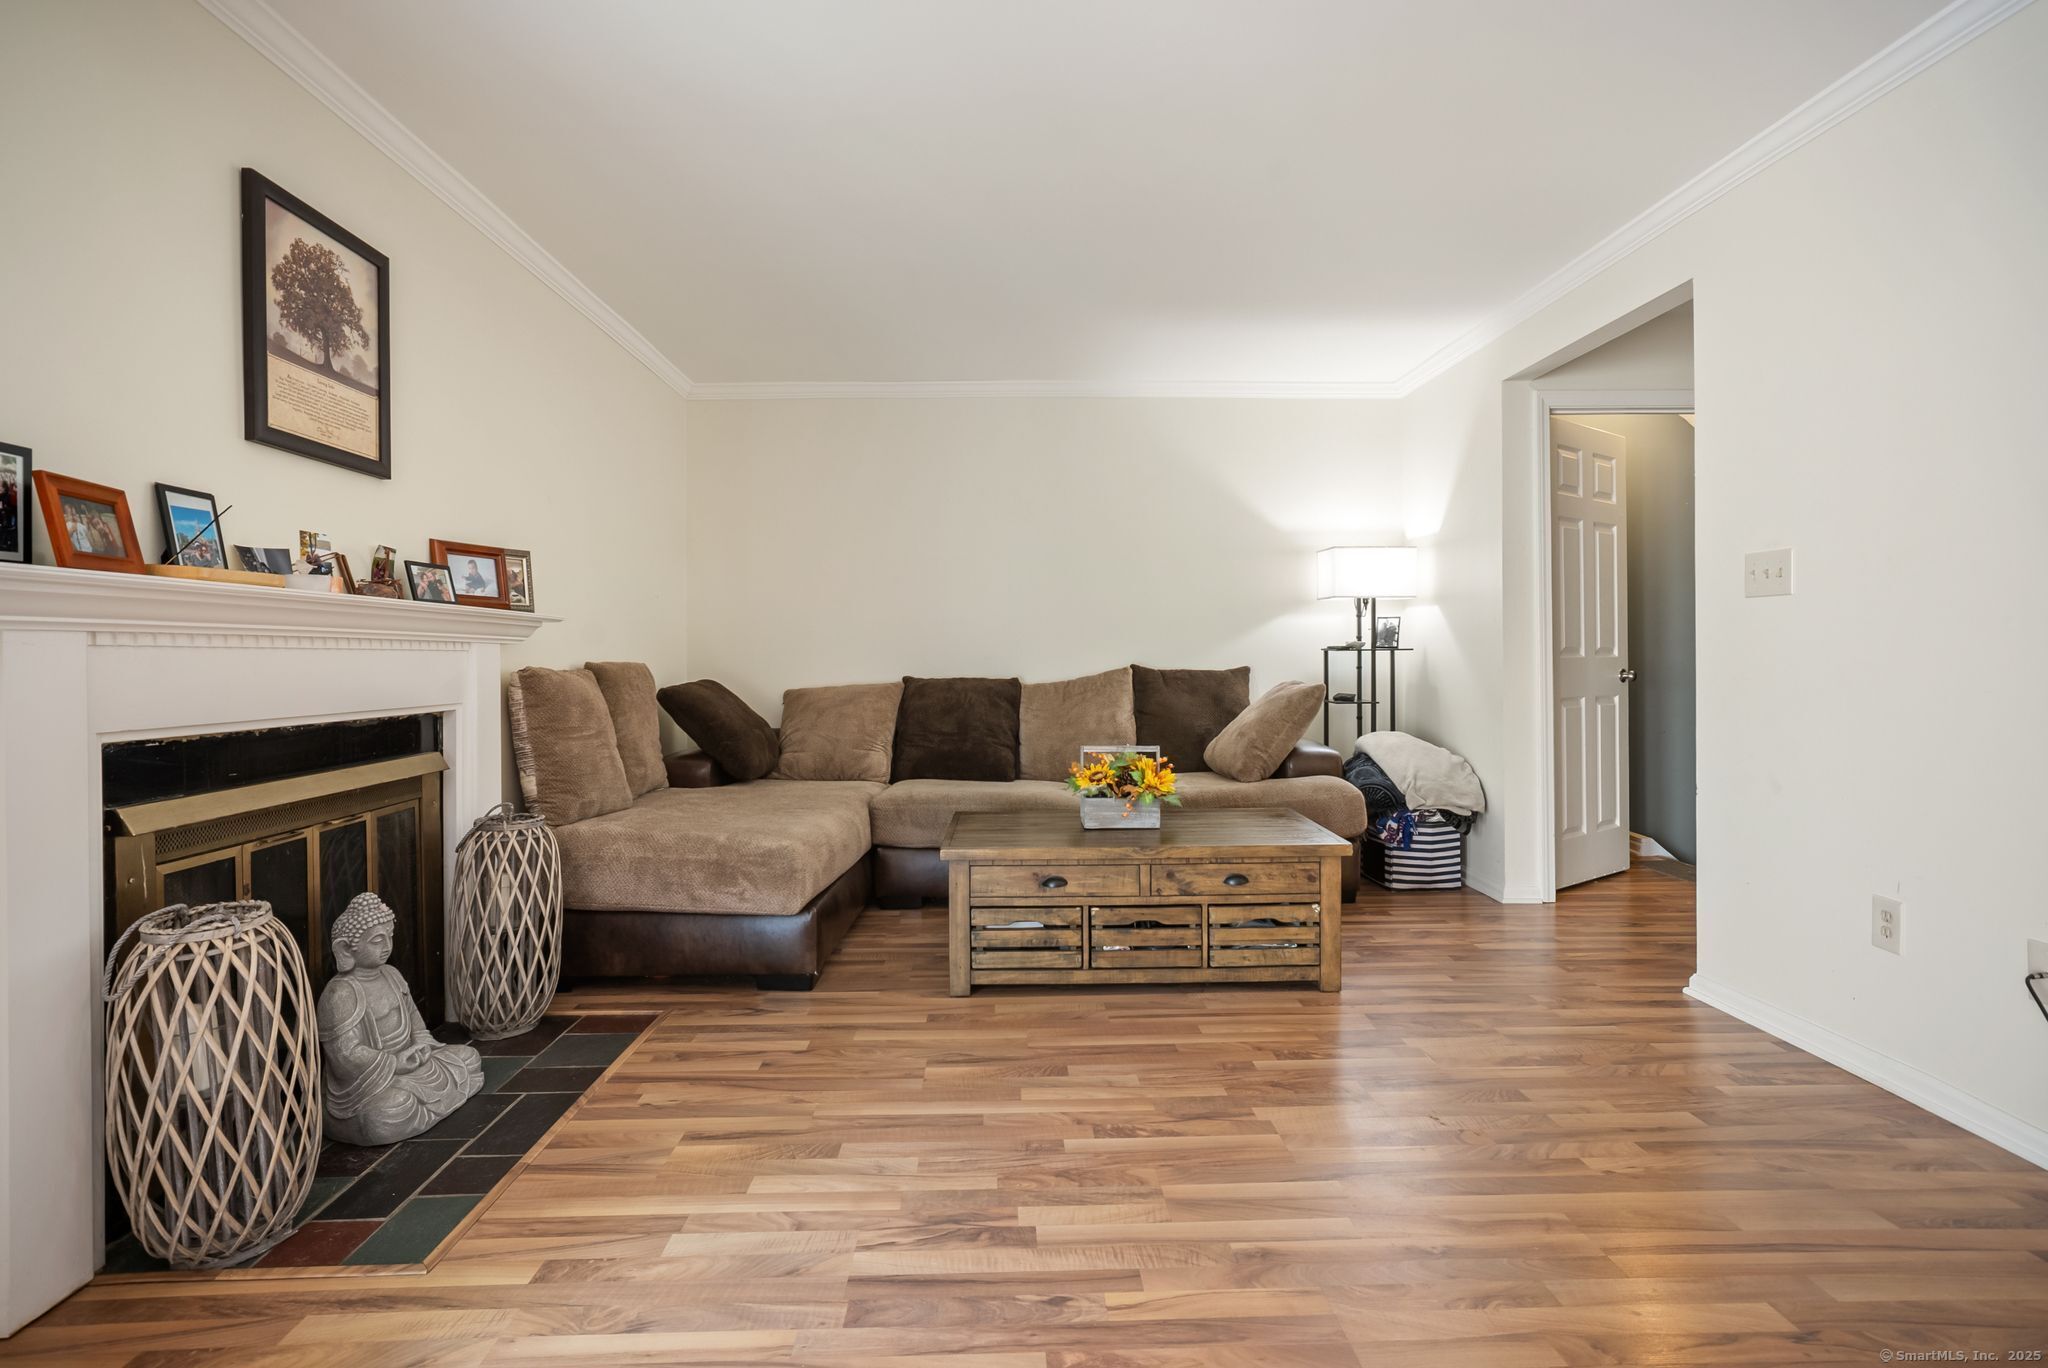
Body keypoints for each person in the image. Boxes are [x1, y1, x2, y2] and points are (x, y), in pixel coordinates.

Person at [316, 892, 483, 1146]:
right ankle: (407, 1112)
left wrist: (423, 1047)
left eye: (390, 937)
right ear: (345, 949)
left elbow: (415, 1022)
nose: (386, 947)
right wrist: (394, 1063)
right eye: (376, 941)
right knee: (390, 1110)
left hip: (413, 1061)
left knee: (468, 1059)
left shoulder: (391, 974)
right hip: (372, 1081)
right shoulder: (340, 993)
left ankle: (423, 1109)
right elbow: (345, 1055)